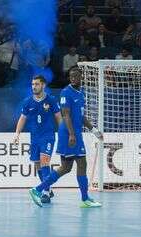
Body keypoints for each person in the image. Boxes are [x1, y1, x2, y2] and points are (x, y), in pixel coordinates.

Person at [29, 67, 103, 208]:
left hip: (74, 133)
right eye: (71, 76)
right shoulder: (65, 93)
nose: (73, 78)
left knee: (66, 167)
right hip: (69, 134)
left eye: (76, 76)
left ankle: (38, 189)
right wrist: (72, 134)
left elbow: (80, 117)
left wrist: (93, 130)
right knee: (81, 163)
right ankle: (85, 199)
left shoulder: (80, 94)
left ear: (81, 77)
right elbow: (65, 114)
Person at [14, 75, 62, 203]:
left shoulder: (51, 100)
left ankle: (45, 193)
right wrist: (17, 133)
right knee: (37, 164)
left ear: (43, 85)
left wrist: (63, 133)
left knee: (44, 161)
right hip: (34, 138)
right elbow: (22, 118)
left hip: (48, 136)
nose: (34, 87)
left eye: (36, 84)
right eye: (32, 84)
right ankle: (48, 188)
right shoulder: (27, 101)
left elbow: (59, 117)